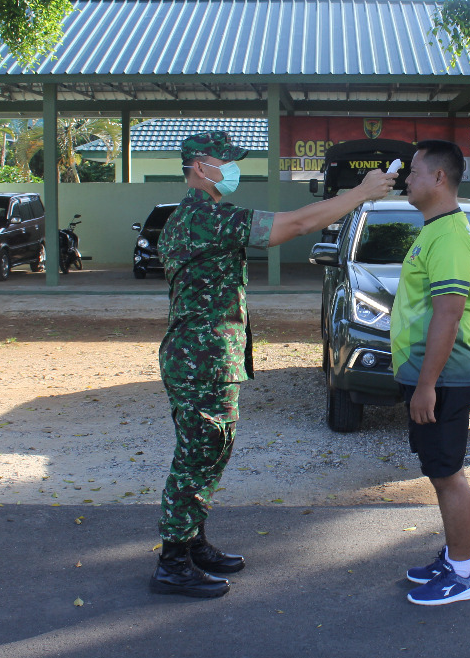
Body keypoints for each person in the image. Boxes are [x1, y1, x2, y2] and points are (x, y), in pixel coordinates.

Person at [151, 131, 396, 599]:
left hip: (205, 356)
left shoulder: (194, 217)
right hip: (199, 358)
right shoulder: (204, 217)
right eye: (226, 161)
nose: (233, 170)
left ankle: (192, 542)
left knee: (211, 450)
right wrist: (360, 194)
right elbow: (298, 224)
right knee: (198, 454)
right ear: (201, 167)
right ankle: (172, 561)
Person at [392, 140, 470, 606]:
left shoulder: (448, 236)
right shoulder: (436, 230)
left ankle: (464, 574)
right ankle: (454, 558)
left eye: (413, 171)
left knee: (448, 474)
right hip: (434, 377)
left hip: (443, 378)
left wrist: (427, 384)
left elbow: (448, 315)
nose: (407, 179)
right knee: (440, 470)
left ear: (439, 178)